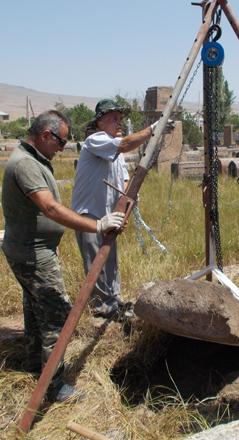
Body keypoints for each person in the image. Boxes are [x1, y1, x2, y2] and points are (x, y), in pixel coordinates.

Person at [1, 110, 125, 402]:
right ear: (45, 135)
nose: (62, 148)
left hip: (32, 248)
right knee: (56, 313)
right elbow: (51, 209)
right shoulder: (26, 164)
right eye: (61, 142)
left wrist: (50, 238)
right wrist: (97, 224)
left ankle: (36, 365)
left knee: (35, 310)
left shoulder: (33, 159)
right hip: (32, 253)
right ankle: (54, 386)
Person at [71, 99, 172, 320]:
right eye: (114, 119)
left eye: (120, 119)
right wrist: (154, 130)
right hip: (89, 212)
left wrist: (127, 205)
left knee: (110, 258)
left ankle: (114, 302)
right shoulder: (96, 141)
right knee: (95, 261)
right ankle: (100, 308)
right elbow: (125, 144)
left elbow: (125, 184)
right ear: (101, 124)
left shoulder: (117, 154)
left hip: (110, 214)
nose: (119, 122)